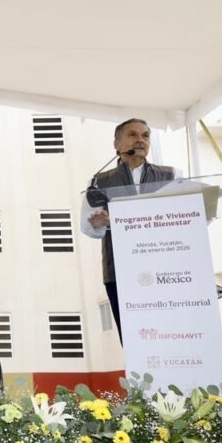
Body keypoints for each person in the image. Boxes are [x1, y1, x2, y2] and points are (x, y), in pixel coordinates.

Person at [80, 118, 178, 343]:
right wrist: (99, 224)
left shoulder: (172, 176)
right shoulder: (98, 182)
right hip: (119, 272)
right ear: (116, 144)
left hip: (166, 271)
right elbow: (87, 226)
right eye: (133, 135)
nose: (140, 140)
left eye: (145, 136)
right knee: (134, 340)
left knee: (170, 335)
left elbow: (188, 217)